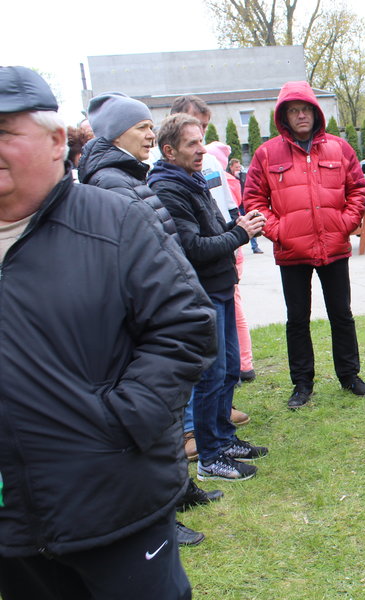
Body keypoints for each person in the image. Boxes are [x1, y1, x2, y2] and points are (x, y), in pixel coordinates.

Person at [0, 66, 215, 600]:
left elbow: (185, 325)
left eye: (3, 132)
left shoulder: (115, 221)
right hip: (13, 528)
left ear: (55, 142)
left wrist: (121, 423)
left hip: (115, 499)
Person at [78, 91, 224, 545]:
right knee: (155, 424)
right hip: (141, 323)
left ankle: (179, 491)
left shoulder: (126, 176)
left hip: (157, 316)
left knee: (169, 415)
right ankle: (161, 515)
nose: (149, 132)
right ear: (114, 132)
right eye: (140, 126)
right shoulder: (110, 182)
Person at [149, 114, 269, 481]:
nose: (201, 150)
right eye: (191, 144)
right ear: (170, 151)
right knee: (211, 376)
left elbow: (213, 228)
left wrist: (235, 227)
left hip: (220, 286)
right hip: (202, 293)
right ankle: (210, 457)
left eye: (202, 141)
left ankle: (223, 438)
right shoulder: (168, 188)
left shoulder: (192, 178)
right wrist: (240, 233)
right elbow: (194, 248)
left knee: (230, 368)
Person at [243, 81, 365, 409]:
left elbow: (358, 189)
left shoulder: (340, 149)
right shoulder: (266, 154)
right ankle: (302, 384)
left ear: (315, 113)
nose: (301, 116)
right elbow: (254, 200)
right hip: (292, 252)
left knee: (341, 314)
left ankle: (350, 376)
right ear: (284, 116)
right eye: (294, 110)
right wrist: (281, 231)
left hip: (334, 247)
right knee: (297, 319)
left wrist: (343, 225)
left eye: (306, 110)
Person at [207, 141, 258, 384]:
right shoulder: (223, 176)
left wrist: (236, 238)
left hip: (227, 250)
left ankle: (241, 365)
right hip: (229, 246)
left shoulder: (222, 176)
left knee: (232, 311)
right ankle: (240, 366)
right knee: (233, 311)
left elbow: (229, 210)